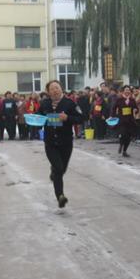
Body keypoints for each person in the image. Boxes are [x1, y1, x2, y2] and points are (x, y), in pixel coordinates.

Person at [38, 80, 83, 208]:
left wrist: (67, 118)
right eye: (52, 89)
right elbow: (38, 116)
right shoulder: (45, 103)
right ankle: (60, 196)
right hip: (50, 142)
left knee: (62, 169)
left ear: (61, 89)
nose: (55, 90)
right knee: (58, 168)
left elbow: (81, 118)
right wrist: (34, 119)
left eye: (57, 87)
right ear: (48, 92)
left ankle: (53, 172)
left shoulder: (70, 103)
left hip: (66, 142)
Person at [112, 85, 138, 157]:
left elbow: (136, 108)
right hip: (122, 120)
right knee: (123, 134)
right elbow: (114, 108)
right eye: (126, 90)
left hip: (130, 121)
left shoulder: (132, 100)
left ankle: (124, 151)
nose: (127, 91)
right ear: (123, 91)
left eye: (128, 90)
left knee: (128, 137)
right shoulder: (119, 99)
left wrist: (136, 110)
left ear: (130, 92)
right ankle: (121, 144)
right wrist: (113, 116)